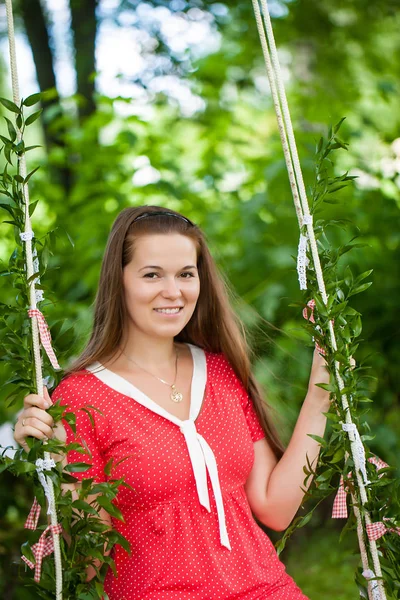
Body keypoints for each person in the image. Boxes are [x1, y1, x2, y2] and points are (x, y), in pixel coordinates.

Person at [14, 205, 330, 599]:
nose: (173, 291)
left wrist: (322, 394)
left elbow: (274, 508)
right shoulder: (82, 398)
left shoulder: (219, 372)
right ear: (120, 282)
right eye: (152, 275)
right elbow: (89, 562)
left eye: (186, 274)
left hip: (268, 590)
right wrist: (57, 462)